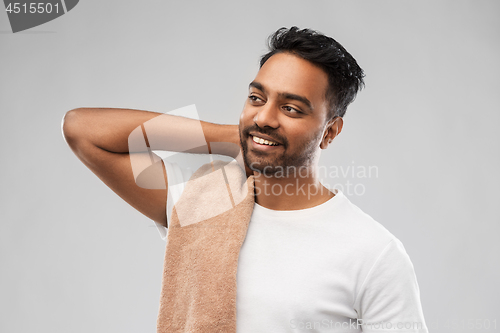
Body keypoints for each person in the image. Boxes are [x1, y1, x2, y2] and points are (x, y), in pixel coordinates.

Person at [62, 27, 429, 332]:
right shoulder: (203, 205)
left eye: (290, 108)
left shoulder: (374, 254)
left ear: (330, 133)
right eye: (257, 98)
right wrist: (231, 137)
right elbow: (84, 130)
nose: (265, 116)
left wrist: (258, 136)